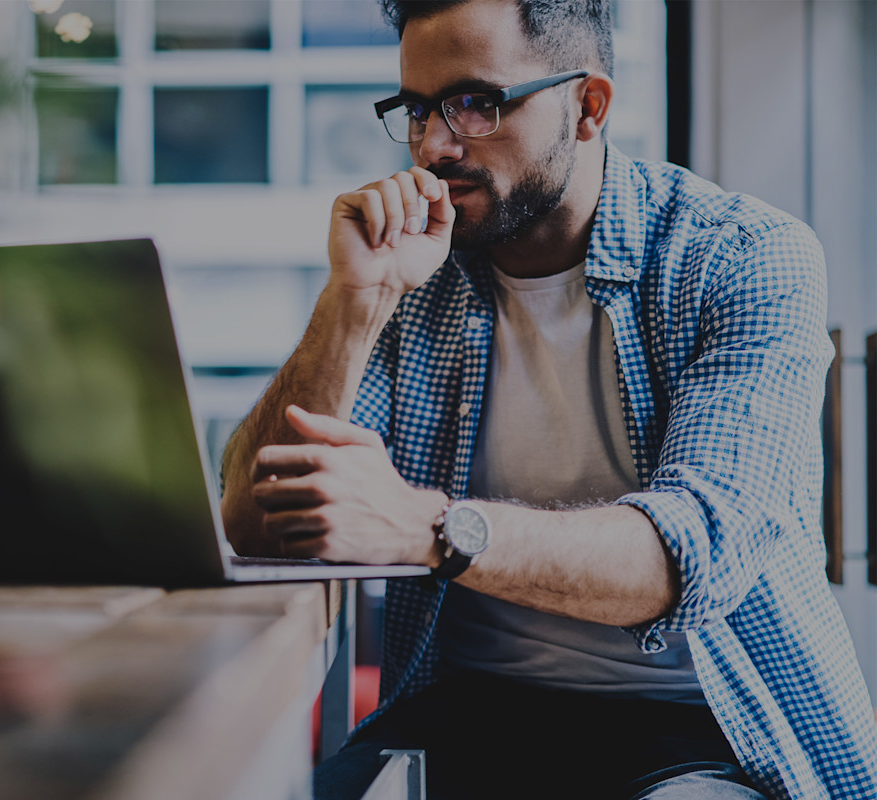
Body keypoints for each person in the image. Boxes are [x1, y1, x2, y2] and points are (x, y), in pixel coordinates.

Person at [218, 0, 877, 798]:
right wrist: (354, 301)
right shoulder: (419, 272)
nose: (434, 146)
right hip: (460, 714)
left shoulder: (742, 258)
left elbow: (688, 556)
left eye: (475, 103)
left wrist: (428, 527)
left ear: (588, 106)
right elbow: (258, 524)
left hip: (707, 730)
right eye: (418, 109)